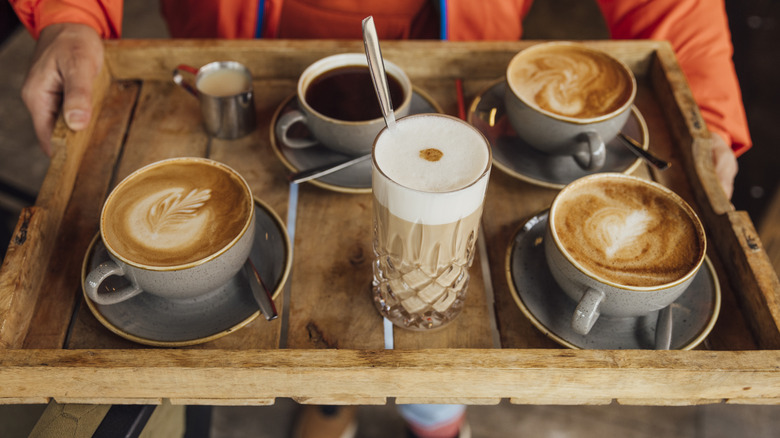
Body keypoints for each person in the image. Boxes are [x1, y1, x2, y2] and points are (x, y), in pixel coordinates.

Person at [8, 1, 752, 438]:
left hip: (447, 81)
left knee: (441, 317)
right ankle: (333, 398)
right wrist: (69, 16)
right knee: (302, 300)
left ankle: (433, 412)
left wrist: (708, 109)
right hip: (247, 62)